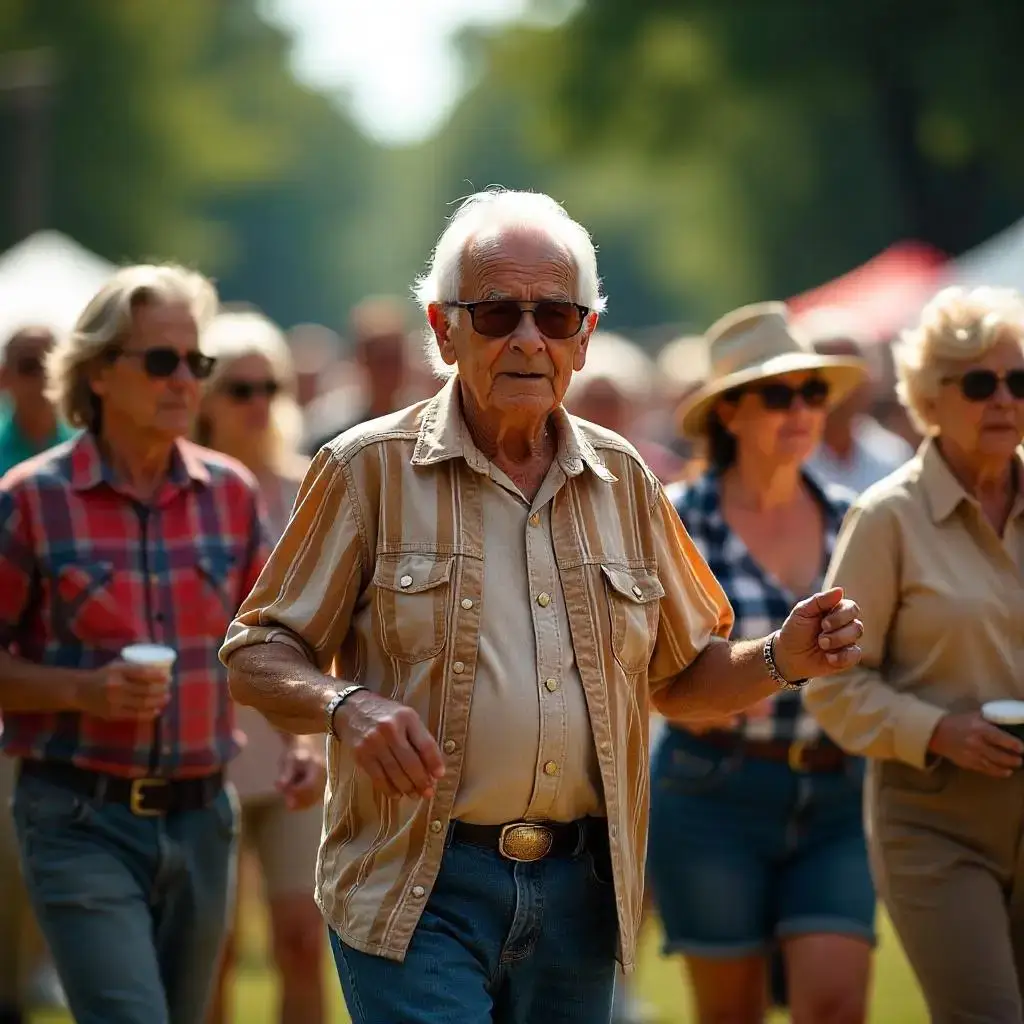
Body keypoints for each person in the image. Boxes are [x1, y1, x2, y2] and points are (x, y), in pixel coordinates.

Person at [219, 188, 865, 1024]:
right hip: (416, 884)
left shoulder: (626, 478)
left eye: (556, 316)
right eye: (496, 313)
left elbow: (682, 678)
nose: (528, 337)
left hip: (579, 893)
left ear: (585, 338)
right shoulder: (364, 469)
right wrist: (347, 706)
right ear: (444, 327)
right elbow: (257, 649)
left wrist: (782, 657)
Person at [0, 265, 322, 1024]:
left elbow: (270, 636)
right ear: (100, 373)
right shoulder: (31, 502)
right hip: (76, 815)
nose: (186, 381)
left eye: (196, 362)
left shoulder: (230, 494)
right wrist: (81, 690)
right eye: (160, 361)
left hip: (201, 814)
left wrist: (301, 738)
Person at [646, 302, 875, 1024]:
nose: (803, 409)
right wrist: (764, 665)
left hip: (838, 793)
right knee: (730, 1014)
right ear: (730, 414)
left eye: (813, 392)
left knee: (836, 1006)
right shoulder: (678, 520)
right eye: (778, 394)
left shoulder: (857, 517)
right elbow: (666, 681)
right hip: (711, 792)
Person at [804, 286, 1024, 1024]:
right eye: (979, 382)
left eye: (1019, 381)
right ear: (930, 397)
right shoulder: (886, 518)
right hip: (934, 825)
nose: (1004, 400)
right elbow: (831, 689)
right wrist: (938, 730)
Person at [197, 310, 326, 1024]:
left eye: (267, 385)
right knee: (208, 949)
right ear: (206, 395)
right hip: (201, 744)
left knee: (303, 939)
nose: (256, 401)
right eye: (238, 386)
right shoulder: (182, 492)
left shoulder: (309, 486)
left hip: (292, 740)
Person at [0, 327, 74, 1024]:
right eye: (27, 366)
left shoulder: (82, 451)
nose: (39, 377)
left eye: (50, 365)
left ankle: (30, 977)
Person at [797, 310, 914, 492]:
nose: (847, 387)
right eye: (834, 373)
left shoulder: (892, 455)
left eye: (855, 372)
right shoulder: (789, 457)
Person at [301, 295, 417, 454]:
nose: (391, 371)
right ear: (362, 362)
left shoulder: (422, 432)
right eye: (383, 361)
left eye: (397, 359)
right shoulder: (336, 441)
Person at [0, 326, 77, 475]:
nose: (43, 377)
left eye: (52, 365)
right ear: (4, 377)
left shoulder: (85, 444)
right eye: (29, 366)